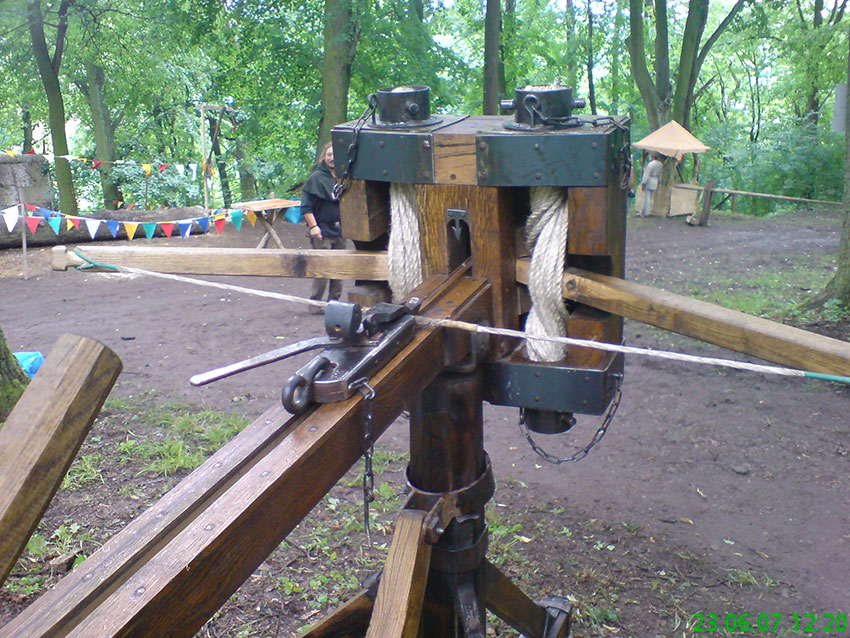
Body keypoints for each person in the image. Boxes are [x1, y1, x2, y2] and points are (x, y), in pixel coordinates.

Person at [301, 142, 345, 311]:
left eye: (335, 155)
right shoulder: (316, 178)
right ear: (324, 157)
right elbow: (306, 207)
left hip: (340, 230)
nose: (332, 158)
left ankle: (334, 304)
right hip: (322, 230)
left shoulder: (343, 178)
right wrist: (314, 227)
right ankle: (315, 305)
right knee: (323, 270)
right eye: (329, 155)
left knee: (339, 269)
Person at [639, 152, 664, 217]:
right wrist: (659, 182)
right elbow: (660, 174)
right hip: (655, 180)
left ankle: (645, 212)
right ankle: (645, 211)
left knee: (647, 197)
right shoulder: (660, 164)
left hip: (649, 180)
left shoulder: (650, 164)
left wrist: (643, 183)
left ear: (652, 157)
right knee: (650, 197)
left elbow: (646, 174)